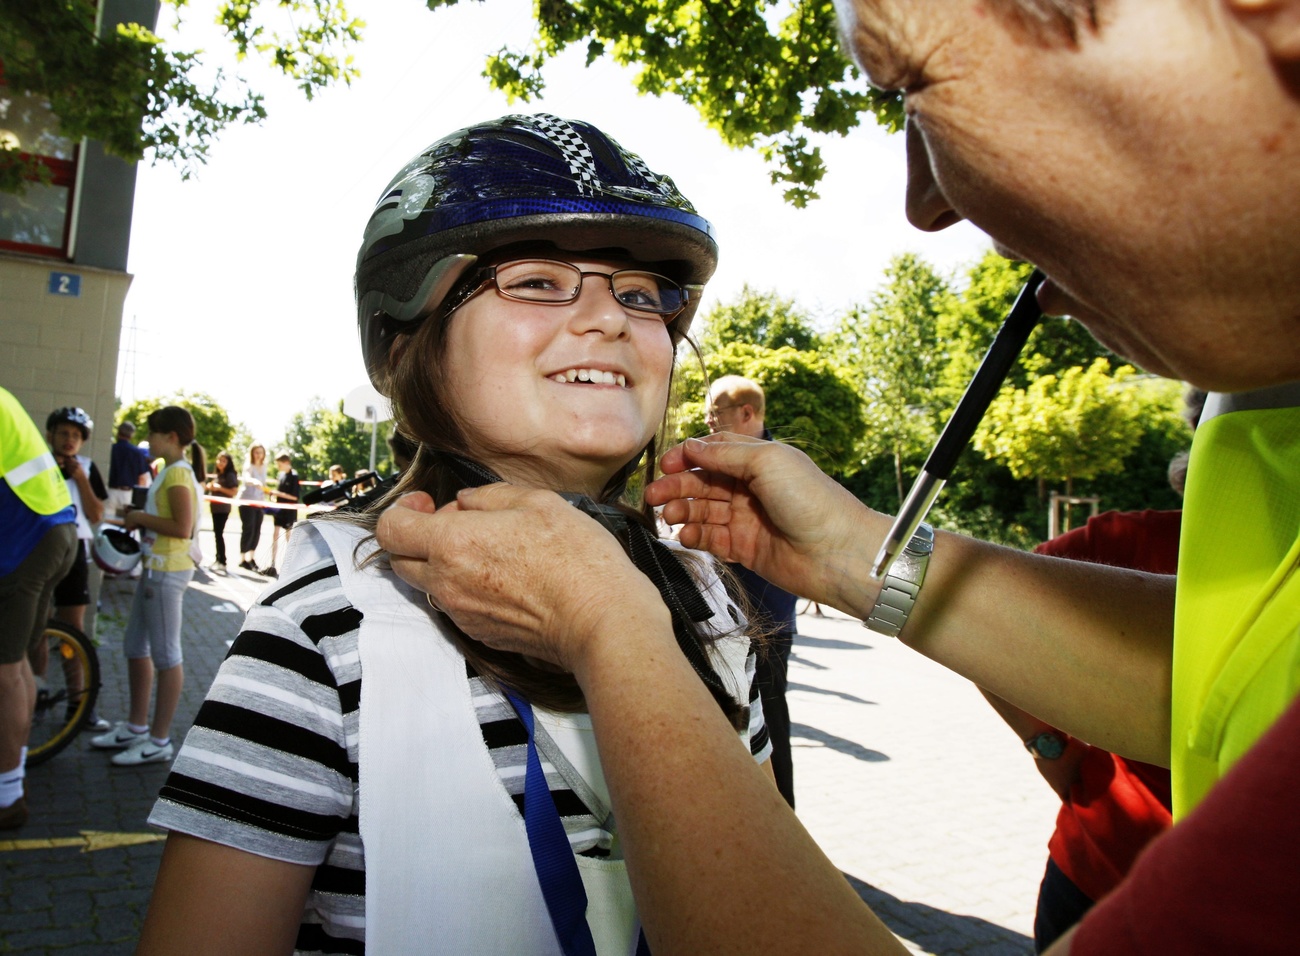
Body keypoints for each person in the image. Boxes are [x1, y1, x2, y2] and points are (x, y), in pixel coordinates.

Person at [370, 3, 1300, 954]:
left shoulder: (696, 601)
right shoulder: (334, 622)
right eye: (535, 281)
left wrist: (613, 629)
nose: (923, 202)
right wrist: (864, 556)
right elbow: (1233, 679)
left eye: (916, 86)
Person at [137, 113, 772, 956]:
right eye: (537, 280)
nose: (611, 318)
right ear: (408, 343)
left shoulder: (705, 600)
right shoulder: (323, 635)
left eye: (642, 292)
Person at [91, 406, 204, 767]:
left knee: (167, 656)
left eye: (153, 433)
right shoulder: (169, 471)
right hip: (155, 569)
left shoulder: (178, 473)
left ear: (171, 437)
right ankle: (136, 727)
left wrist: (139, 517)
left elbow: (182, 527)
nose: (148, 440)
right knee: (134, 646)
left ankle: (159, 740)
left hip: (167, 572)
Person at [705, 375, 799, 807]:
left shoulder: (790, 470)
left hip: (766, 624)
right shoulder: (712, 461)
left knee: (768, 726)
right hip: (714, 620)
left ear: (746, 413)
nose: (708, 420)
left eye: (715, 411)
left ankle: (783, 820)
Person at [0, 388, 77, 830]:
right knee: (20, 665)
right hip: (52, 534)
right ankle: (13, 766)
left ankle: (8, 797)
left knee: (5, 670)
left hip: (26, 544)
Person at [39, 407, 111, 734]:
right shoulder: (38, 463)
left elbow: (96, 514)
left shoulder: (88, 467)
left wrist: (80, 478)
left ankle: (77, 703)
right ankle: (36, 695)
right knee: (36, 626)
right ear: (50, 435)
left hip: (76, 550)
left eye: (76, 435)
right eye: (64, 433)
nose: (69, 440)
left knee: (73, 629)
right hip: (39, 548)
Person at [262, 451, 301, 578]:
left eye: (279, 464)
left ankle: (291, 566)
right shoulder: (281, 475)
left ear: (286, 462)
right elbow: (280, 492)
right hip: (279, 510)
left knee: (288, 537)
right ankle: (272, 564)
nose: (278, 467)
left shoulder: (294, 476)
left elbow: (295, 497)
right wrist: (274, 496)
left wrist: (278, 494)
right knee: (275, 535)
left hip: (289, 511)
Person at [107, 420, 151, 519]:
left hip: (110, 491)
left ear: (118, 433)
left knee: (107, 519)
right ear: (131, 435)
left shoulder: (110, 450)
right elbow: (142, 477)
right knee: (127, 521)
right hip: (128, 494)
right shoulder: (137, 453)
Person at [204, 451, 240, 571]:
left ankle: (222, 561)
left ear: (228, 463)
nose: (220, 463)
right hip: (215, 508)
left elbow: (234, 491)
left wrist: (220, 488)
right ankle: (218, 559)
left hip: (223, 509)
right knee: (217, 533)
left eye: (224, 461)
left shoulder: (230, 475)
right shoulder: (218, 474)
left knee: (219, 533)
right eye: (219, 460)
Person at [236, 444, 267, 572]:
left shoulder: (264, 467)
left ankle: (251, 557)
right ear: (252, 453)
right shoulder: (248, 466)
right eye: (256, 452)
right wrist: (254, 482)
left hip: (259, 503)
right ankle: (243, 558)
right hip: (247, 502)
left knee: (257, 530)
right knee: (248, 528)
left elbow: (263, 484)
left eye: (261, 452)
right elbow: (247, 478)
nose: (258, 455)